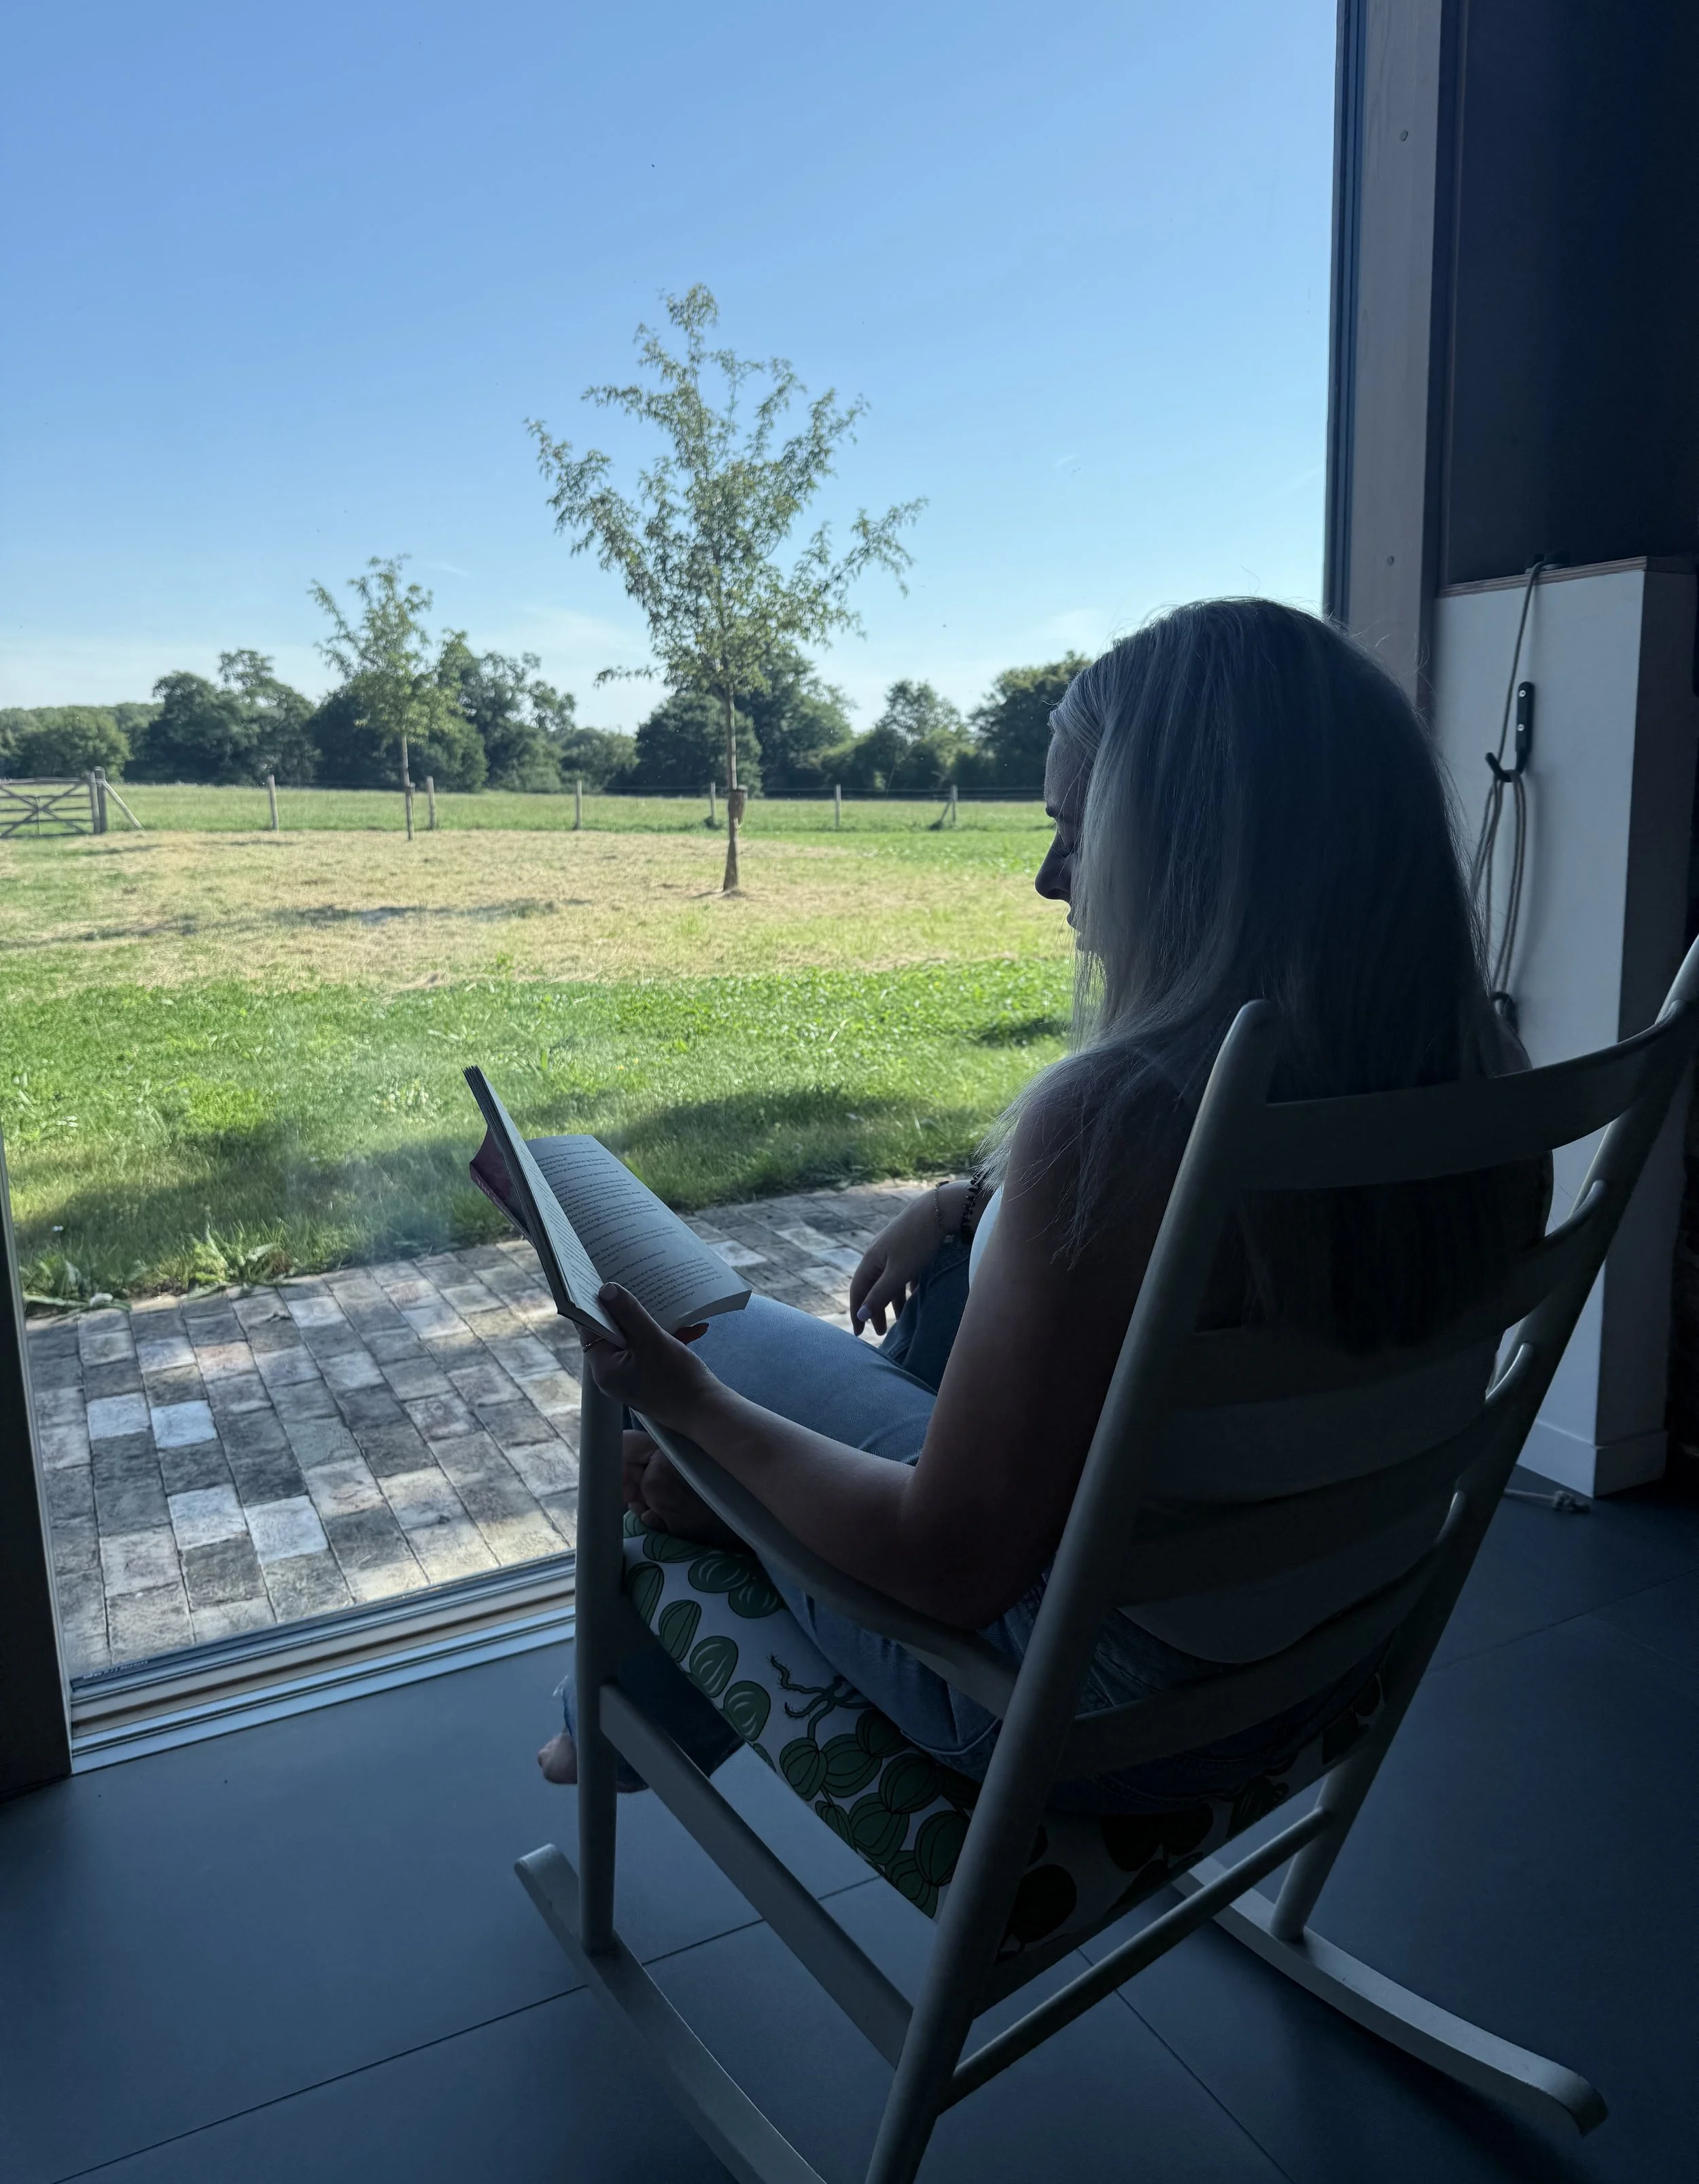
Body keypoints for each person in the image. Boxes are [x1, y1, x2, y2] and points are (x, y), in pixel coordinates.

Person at [538, 598, 1545, 1808]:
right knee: (952, 1299)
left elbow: (950, 1568)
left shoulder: (1117, 1121)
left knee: (708, 1338)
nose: (1046, 878)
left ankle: (621, 1699)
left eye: (1078, 829)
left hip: (1069, 1714)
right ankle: (716, 1573)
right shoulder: (1484, 1071)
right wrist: (973, 1203)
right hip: (1321, 1667)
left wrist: (696, 1410)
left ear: (1196, 848)